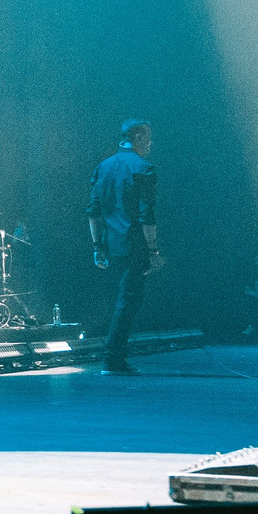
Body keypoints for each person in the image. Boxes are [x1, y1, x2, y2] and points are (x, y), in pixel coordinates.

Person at [87, 119, 160, 374]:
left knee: (122, 301)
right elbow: (146, 216)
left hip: (110, 243)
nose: (151, 143)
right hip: (135, 245)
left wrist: (98, 246)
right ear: (138, 136)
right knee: (128, 302)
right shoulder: (143, 168)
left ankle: (114, 356)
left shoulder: (103, 166)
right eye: (148, 137)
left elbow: (93, 212)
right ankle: (113, 359)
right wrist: (153, 251)